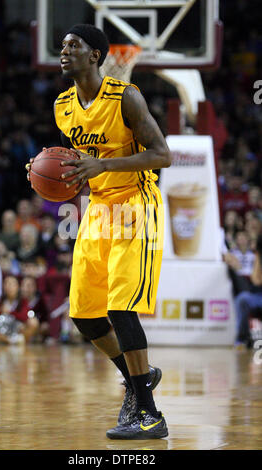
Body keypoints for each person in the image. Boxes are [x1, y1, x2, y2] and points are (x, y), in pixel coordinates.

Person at [27, 24, 171, 440]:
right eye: (63, 46)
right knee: (84, 316)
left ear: (96, 56)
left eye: (75, 45)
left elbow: (161, 155)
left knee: (121, 308)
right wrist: (43, 173)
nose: (64, 51)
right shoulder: (62, 106)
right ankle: (140, 375)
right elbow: (72, 164)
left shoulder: (125, 96)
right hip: (98, 209)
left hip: (135, 207)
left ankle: (149, 415)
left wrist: (103, 167)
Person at [0, 275, 39, 344]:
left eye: (12, 284)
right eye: (6, 284)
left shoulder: (23, 300)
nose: (9, 287)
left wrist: (10, 312)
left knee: (33, 322)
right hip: (2, 327)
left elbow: (25, 317)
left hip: (17, 327)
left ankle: (5, 340)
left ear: (18, 287)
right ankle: (9, 340)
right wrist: (0, 312)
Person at [234, 233, 262, 349]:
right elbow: (255, 280)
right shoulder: (258, 257)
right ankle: (242, 338)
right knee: (242, 299)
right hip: (258, 295)